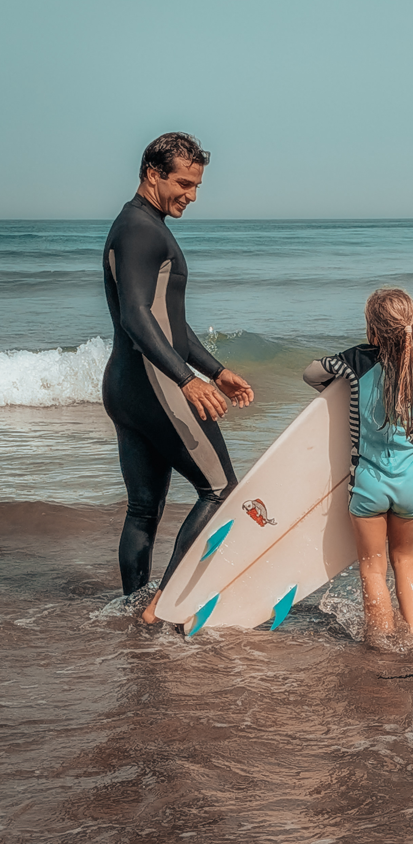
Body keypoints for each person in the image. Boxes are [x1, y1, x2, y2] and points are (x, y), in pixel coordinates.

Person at [102, 132, 254, 623]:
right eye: (184, 183)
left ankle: (135, 606)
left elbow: (168, 321)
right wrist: (187, 381)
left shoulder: (135, 225)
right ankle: (163, 607)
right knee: (221, 490)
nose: (192, 194)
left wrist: (217, 370)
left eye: (197, 184)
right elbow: (136, 317)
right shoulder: (142, 230)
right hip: (154, 385)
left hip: (126, 386)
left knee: (144, 509)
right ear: (153, 174)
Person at [303, 287, 413, 637]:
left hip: (368, 484)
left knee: (372, 568)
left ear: (372, 330)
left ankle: (380, 643)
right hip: (410, 484)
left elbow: (312, 373)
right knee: (405, 560)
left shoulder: (356, 360)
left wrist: (335, 395)